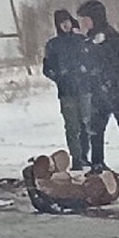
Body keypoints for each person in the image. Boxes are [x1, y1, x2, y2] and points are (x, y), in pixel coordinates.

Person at [76, 0, 119, 180]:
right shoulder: (91, 39)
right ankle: (97, 163)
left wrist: (109, 84)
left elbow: (114, 64)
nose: (83, 23)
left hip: (115, 91)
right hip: (99, 92)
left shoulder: (109, 37)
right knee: (96, 129)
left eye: (85, 19)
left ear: (95, 18)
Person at [42, 9, 91, 170]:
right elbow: (47, 68)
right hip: (66, 93)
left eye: (67, 21)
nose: (65, 24)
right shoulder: (53, 45)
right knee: (72, 126)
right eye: (61, 22)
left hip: (84, 89)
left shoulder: (81, 40)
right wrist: (59, 77)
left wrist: (88, 73)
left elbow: (92, 61)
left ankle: (85, 156)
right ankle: (76, 158)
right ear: (57, 25)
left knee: (86, 124)